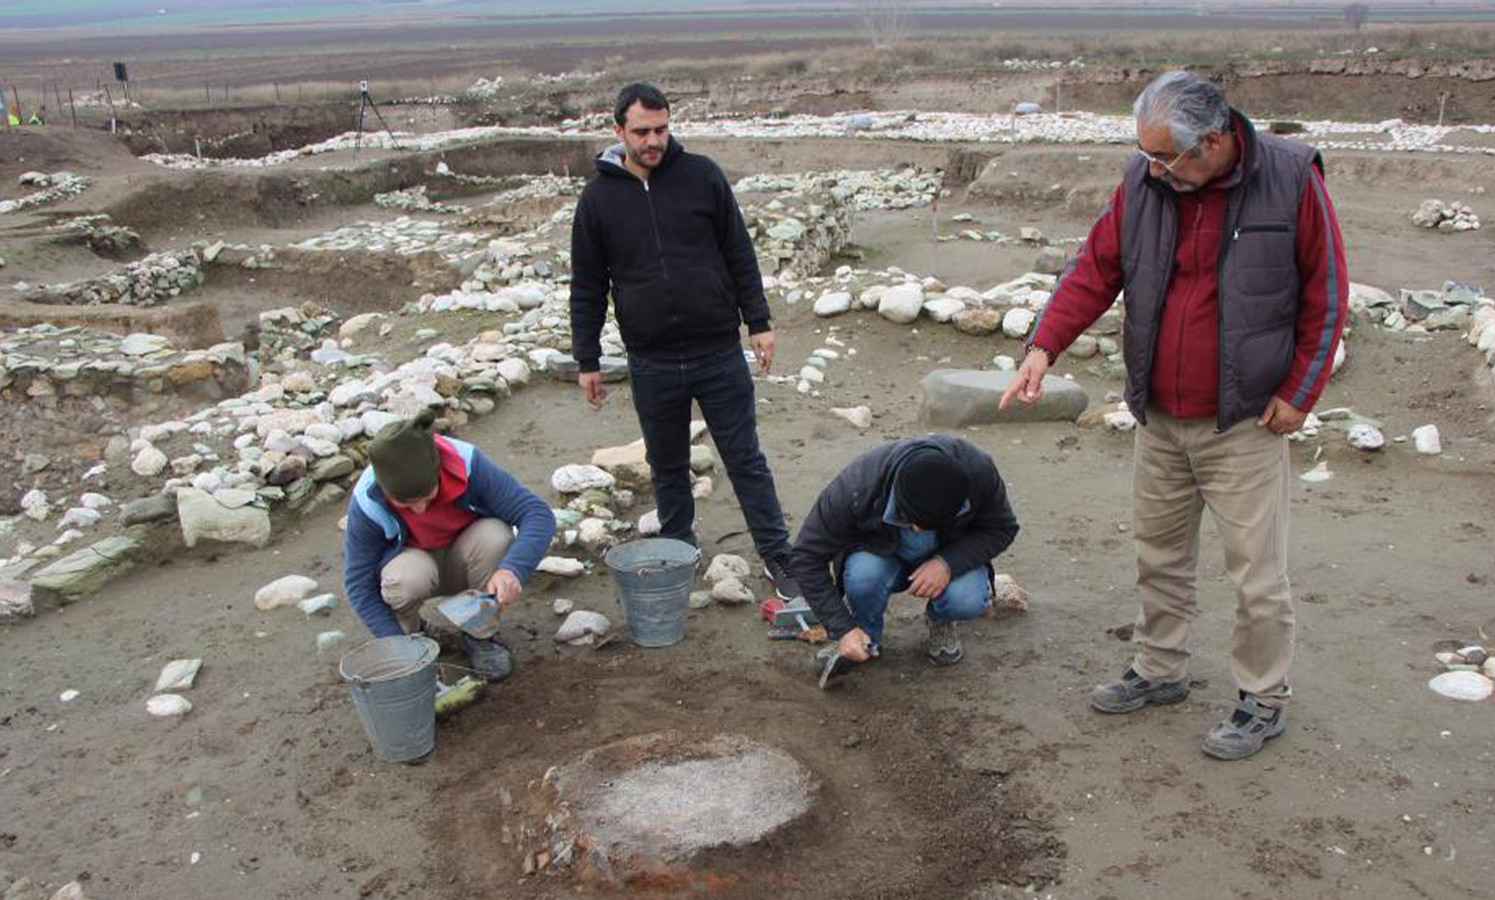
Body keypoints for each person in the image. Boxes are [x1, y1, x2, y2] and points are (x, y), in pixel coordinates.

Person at [1001, 71, 1348, 760]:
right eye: (1146, 155)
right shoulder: (1145, 181)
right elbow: (1095, 269)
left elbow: (1327, 295)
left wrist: (1299, 394)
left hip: (1245, 421)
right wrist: (1043, 346)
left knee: (1257, 574)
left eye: (1164, 157)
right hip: (1160, 415)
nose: (1151, 167)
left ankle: (1262, 698)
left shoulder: (1290, 177)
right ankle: (1159, 670)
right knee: (1158, 554)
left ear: (1214, 141)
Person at [569, 82, 800, 600]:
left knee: (745, 458)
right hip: (650, 361)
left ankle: (777, 555)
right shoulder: (599, 198)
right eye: (642, 131)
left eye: (662, 129)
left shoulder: (702, 176)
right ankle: (678, 551)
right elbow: (587, 284)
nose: (653, 140)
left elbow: (739, 252)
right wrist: (587, 358)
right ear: (618, 131)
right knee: (667, 465)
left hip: (717, 352)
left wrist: (757, 322)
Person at [342, 410, 556, 680]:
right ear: (385, 491)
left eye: (426, 496)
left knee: (496, 536)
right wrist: (396, 644)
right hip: (415, 567)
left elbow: (537, 513)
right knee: (404, 579)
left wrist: (512, 569)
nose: (419, 510)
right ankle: (415, 640)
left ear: (438, 471)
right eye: (406, 504)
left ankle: (479, 635)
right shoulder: (367, 501)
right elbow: (358, 585)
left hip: (465, 559)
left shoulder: (467, 463)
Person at [789, 436, 1018, 683]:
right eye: (911, 520)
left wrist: (947, 563)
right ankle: (863, 634)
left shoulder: (979, 471)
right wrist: (840, 627)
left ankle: (940, 620)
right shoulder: (857, 487)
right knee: (863, 576)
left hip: (947, 552)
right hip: (880, 555)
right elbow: (806, 557)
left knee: (967, 599)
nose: (919, 530)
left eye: (931, 524)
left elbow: (1002, 528)